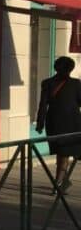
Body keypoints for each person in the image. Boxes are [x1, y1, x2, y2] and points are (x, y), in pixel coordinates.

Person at [35, 56, 81, 192]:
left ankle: (61, 181)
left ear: (56, 68)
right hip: (72, 122)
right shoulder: (76, 83)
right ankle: (59, 183)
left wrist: (40, 123)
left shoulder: (47, 83)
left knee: (61, 153)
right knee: (64, 153)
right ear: (70, 69)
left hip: (53, 122)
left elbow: (43, 105)